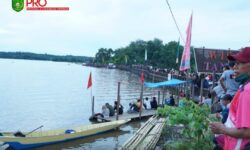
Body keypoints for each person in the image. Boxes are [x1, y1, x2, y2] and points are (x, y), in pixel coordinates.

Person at [210, 47, 250, 149]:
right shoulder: (244, 87)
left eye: (239, 63)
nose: (234, 67)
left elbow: (247, 132)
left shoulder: (247, 91)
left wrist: (222, 129)